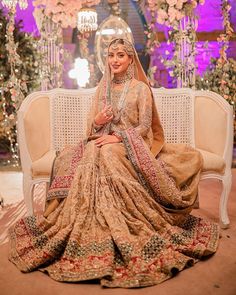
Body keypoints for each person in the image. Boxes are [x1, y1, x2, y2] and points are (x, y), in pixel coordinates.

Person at [8, 38, 220, 288]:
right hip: (102, 141)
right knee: (93, 152)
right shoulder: (103, 88)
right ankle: (92, 223)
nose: (115, 60)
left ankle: (120, 222)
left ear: (131, 59)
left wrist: (117, 136)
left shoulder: (140, 89)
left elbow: (144, 127)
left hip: (129, 145)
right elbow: (93, 127)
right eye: (111, 55)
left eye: (120, 55)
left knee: (107, 153)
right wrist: (98, 122)